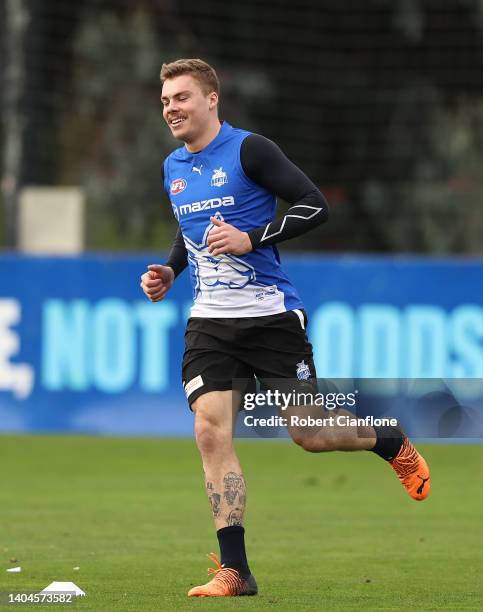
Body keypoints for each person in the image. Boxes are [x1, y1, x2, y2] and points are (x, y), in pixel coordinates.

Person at [140, 58, 430, 598]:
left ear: (210, 99)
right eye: (164, 101)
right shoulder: (172, 166)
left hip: (271, 316)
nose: (171, 108)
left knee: (310, 434)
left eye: (181, 97)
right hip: (210, 320)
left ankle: (387, 438)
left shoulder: (251, 150)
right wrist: (169, 271)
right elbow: (191, 230)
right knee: (209, 430)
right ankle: (235, 570)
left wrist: (253, 237)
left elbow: (314, 205)